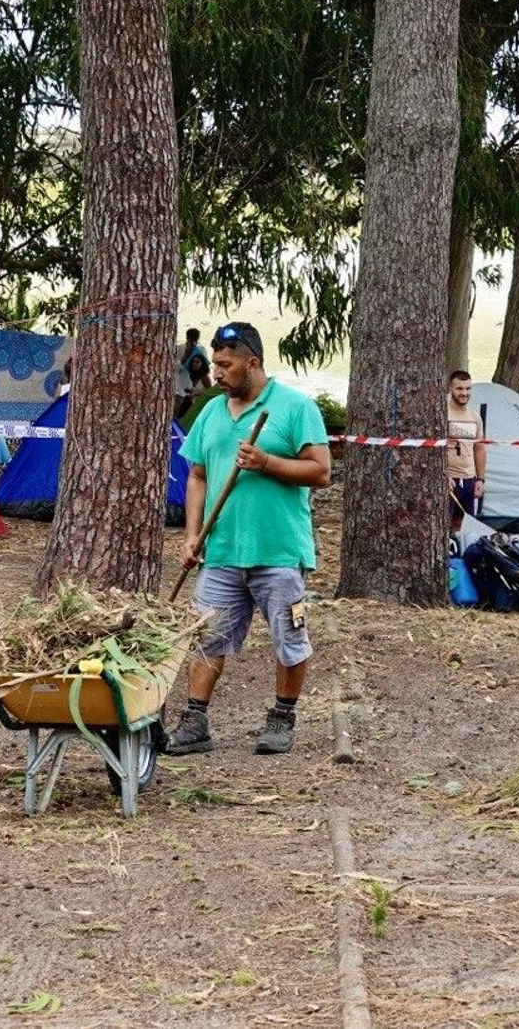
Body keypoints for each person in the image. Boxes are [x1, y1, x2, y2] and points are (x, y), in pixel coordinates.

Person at [169, 321, 332, 756]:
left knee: (289, 636)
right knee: (207, 637)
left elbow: (321, 471)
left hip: (278, 550)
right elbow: (198, 476)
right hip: (221, 550)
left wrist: (267, 462)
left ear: (252, 362)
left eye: (225, 365)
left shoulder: (295, 407)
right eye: (215, 364)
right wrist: (191, 535)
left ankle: (282, 717)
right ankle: (196, 720)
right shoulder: (211, 412)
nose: (216, 373)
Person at [445, 370, 487, 530]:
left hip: (469, 480)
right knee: (445, 528)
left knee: (466, 529)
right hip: (449, 480)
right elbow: (432, 449)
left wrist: (480, 479)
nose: (464, 393)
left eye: (468, 389)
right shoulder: (442, 414)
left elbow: (480, 448)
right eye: (459, 388)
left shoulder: (475, 417)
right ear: (450, 388)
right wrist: (443, 475)